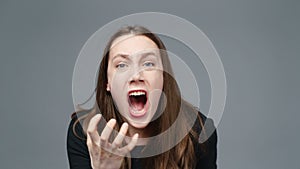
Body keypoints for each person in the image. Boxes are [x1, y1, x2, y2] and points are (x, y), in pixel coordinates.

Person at [67, 25, 217, 169]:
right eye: (121, 65)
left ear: (164, 77)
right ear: (107, 82)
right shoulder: (84, 132)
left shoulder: (198, 131)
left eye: (148, 63)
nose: (136, 75)